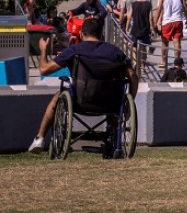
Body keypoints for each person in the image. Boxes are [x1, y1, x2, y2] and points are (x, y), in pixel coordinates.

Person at [28, 16, 136, 154]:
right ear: (101, 34)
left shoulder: (75, 50)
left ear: (81, 34)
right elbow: (133, 76)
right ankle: (112, 141)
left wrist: (43, 51)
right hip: (111, 102)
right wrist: (131, 98)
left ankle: (40, 138)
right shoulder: (115, 52)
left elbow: (44, 69)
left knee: (58, 96)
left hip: (81, 100)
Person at [154, 0, 184, 71]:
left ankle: (164, 61)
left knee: (164, 43)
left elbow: (159, 9)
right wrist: (186, 17)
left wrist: (155, 22)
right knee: (177, 42)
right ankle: (177, 63)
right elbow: (185, 8)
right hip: (178, 21)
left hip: (167, 22)